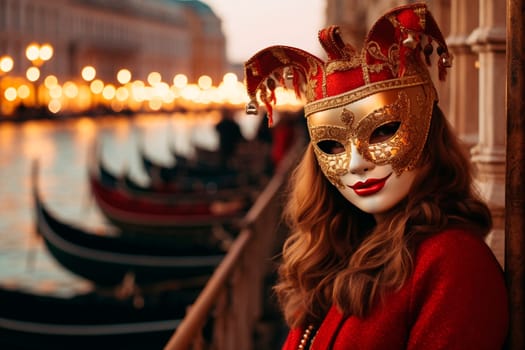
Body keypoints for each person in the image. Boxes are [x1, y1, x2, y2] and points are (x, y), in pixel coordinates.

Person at [244, 3, 508, 349]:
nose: (356, 163)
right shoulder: (344, 249)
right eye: (333, 146)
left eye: (382, 132)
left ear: (427, 132)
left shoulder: (454, 261)